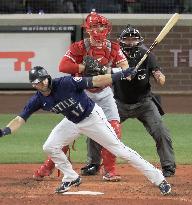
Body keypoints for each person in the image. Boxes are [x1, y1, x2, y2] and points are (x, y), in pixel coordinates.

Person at [0, 65, 171, 195]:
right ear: (33, 85)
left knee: (119, 149)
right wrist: (4, 131)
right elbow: (20, 119)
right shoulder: (37, 99)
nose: (42, 83)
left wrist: (120, 75)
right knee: (50, 146)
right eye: (37, 82)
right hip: (72, 121)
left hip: (92, 118)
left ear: (47, 77)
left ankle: (159, 179)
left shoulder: (66, 83)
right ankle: (70, 176)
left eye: (43, 79)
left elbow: (96, 80)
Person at [58, 11, 129, 181]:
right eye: (95, 26)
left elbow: (126, 70)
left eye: (102, 25)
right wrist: (83, 68)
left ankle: (110, 170)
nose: (99, 29)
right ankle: (47, 167)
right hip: (82, 94)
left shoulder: (113, 47)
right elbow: (63, 66)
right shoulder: (79, 47)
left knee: (114, 129)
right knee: (66, 133)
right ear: (88, 29)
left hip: (104, 93)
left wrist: (105, 71)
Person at [113, 25, 176, 177]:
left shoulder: (147, 55)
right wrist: (124, 71)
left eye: (133, 40)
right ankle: (93, 164)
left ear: (139, 41)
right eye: (127, 39)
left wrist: (159, 76)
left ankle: (168, 167)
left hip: (144, 103)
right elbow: (106, 74)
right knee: (98, 128)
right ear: (121, 41)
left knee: (161, 131)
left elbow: (160, 78)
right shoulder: (115, 55)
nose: (130, 42)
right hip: (118, 103)